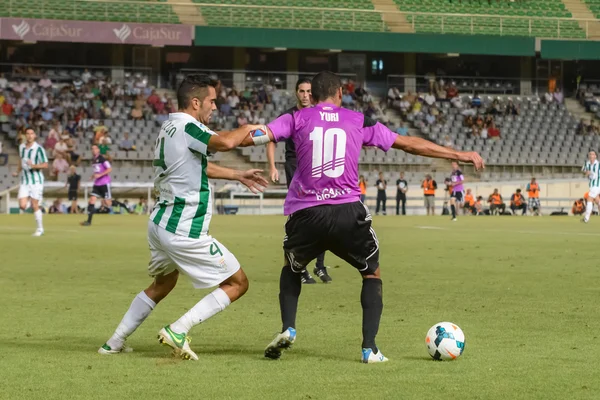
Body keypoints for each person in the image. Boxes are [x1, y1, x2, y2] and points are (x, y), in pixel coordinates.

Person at [242, 71, 483, 364]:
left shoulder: (295, 118)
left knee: (291, 267)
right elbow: (407, 143)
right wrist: (457, 153)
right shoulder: (357, 120)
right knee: (371, 273)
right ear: (340, 93)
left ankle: (288, 328)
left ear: (312, 95)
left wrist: (216, 141)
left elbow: (256, 134)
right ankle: (369, 348)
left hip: (306, 213)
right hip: (347, 212)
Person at [98, 75, 267, 360]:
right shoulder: (189, 127)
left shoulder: (169, 127)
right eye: (212, 101)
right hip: (183, 227)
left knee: (163, 283)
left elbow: (198, 167)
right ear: (196, 102)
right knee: (238, 283)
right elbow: (225, 143)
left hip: (159, 223)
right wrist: (248, 128)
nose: (215, 107)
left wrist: (237, 174)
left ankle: (114, 342)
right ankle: (179, 328)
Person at [266, 78, 331, 284]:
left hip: (319, 168)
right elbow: (271, 138)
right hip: (296, 169)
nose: (305, 95)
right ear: (296, 93)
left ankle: (320, 266)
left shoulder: (321, 114)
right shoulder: (289, 115)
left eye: (308, 91)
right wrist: (272, 166)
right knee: (303, 218)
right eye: (301, 91)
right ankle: (299, 267)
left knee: (326, 217)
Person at [12, 128, 48, 236]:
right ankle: (37, 203)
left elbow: (45, 164)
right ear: (25, 135)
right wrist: (17, 171)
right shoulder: (21, 147)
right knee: (22, 206)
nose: (29, 136)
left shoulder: (39, 149)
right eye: (27, 134)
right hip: (24, 180)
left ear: (35, 136)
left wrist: (34, 166)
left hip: (36, 180)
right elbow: (20, 160)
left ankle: (40, 229)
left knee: (34, 204)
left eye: (31, 134)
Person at [80, 145, 112, 226]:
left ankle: (123, 205)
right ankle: (88, 221)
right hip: (97, 184)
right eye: (92, 149)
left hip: (104, 183)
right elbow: (97, 171)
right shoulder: (93, 160)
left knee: (107, 203)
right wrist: (93, 176)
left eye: (95, 149)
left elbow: (109, 169)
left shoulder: (102, 158)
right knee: (91, 200)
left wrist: (100, 175)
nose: (93, 150)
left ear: (98, 150)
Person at [581, 150, 600, 223]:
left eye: (593, 154)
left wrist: (592, 173)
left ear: (595, 156)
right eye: (590, 154)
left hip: (597, 185)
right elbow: (583, 170)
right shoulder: (586, 163)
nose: (591, 155)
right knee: (597, 200)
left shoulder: (598, 164)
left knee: (589, 199)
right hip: (591, 185)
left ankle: (586, 218)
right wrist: (586, 172)